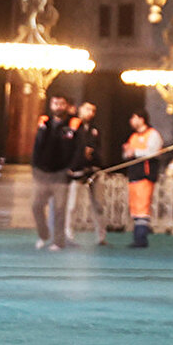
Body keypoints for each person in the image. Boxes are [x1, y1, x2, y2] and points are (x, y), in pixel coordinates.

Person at [31, 93, 78, 250]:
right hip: (43, 173)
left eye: (61, 104)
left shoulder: (73, 124)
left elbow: (77, 148)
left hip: (61, 173)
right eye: (55, 103)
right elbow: (37, 145)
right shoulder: (45, 123)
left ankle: (58, 241)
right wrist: (35, 166)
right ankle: (43, 234)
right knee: (36, 206)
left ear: (66, 106)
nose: (58, 107)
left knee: (59, 209)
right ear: (51, 105)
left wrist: (71, 168)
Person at [64, 101, 107, 246]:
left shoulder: (95, 129)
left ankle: (101, 237)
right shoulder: (72, 126)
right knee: (72, 205)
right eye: (87, 109)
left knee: (99, 205)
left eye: (93, 110)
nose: (90, 113)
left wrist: (92, 154)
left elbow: (99, 149)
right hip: (76, 170)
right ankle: (68, 235)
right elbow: (67, 146)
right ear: (80, 110)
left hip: (93, 170)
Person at [121, 109, 164, 248]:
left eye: (133, 118)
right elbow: (127, 154)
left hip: (145, 175)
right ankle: (137, 237)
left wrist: (135, 152)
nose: (131, 121)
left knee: (142, 207)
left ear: (141, 119)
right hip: (133, 174)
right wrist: (127, 152)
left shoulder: (153, 134)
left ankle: (141, 238)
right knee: (134, 207)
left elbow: (152, 152)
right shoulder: (133, 136)